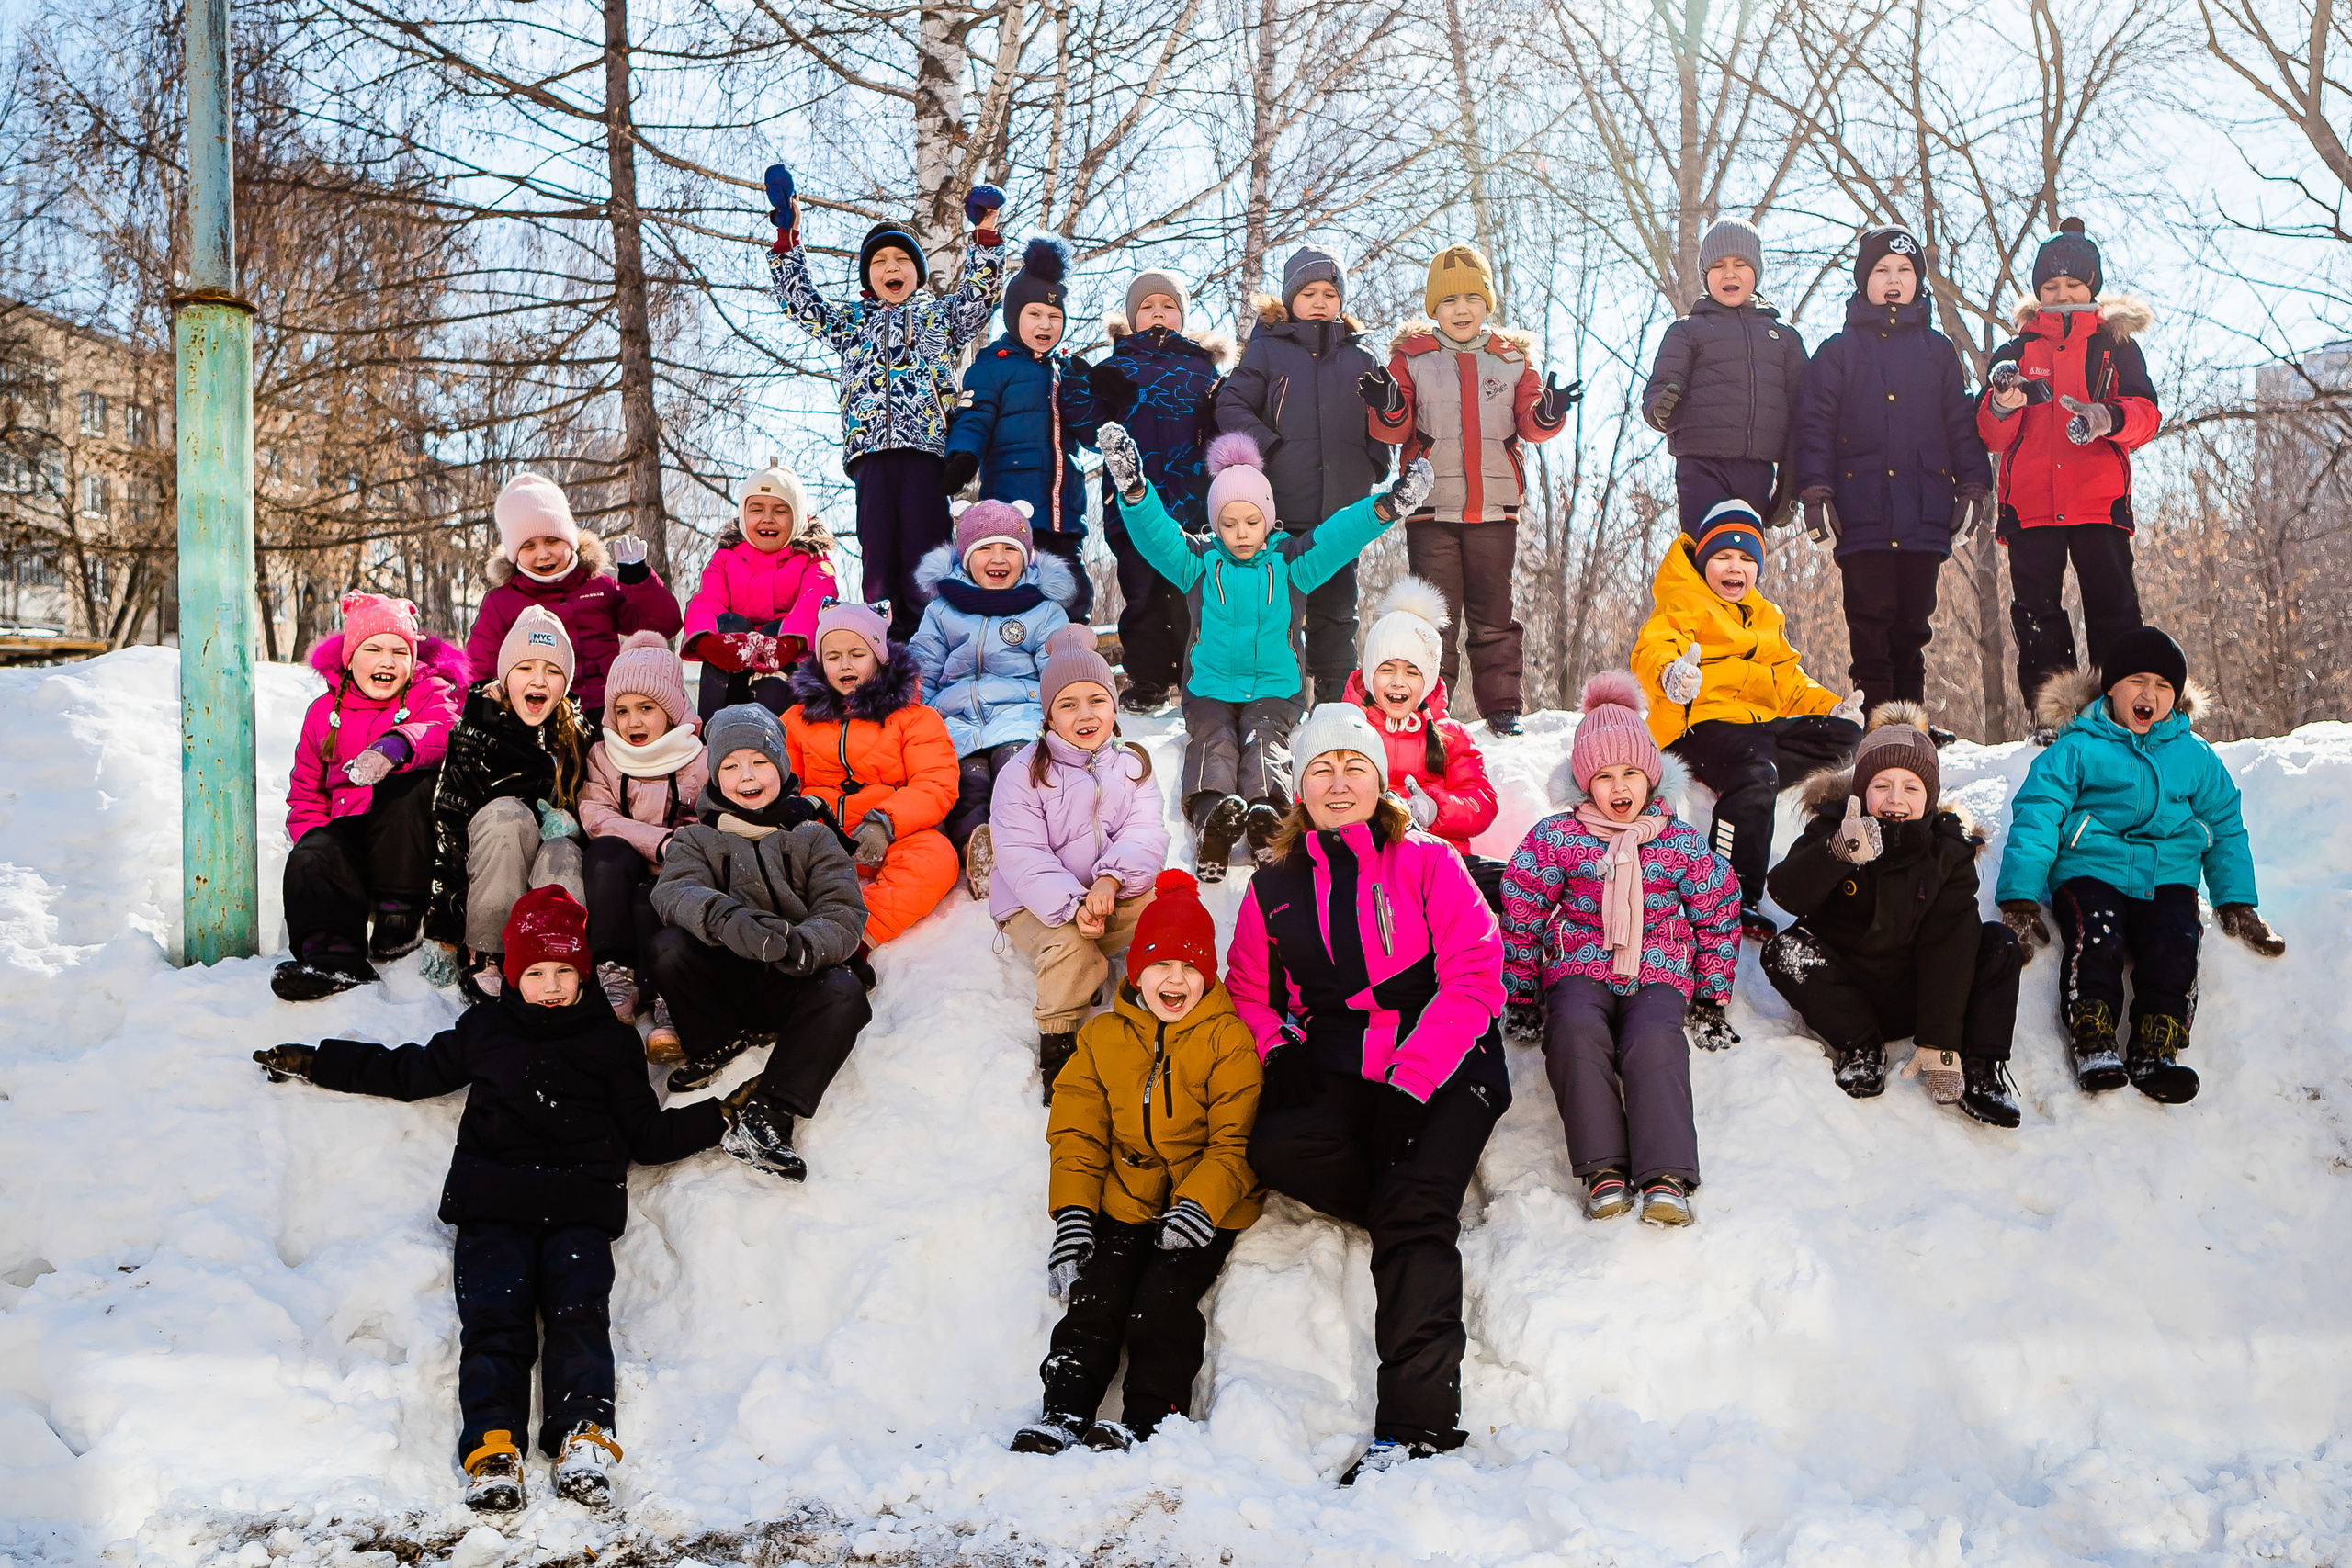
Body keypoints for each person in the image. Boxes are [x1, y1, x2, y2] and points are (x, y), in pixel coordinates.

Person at [251, 886, 759, 1514]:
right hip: (494, 1204)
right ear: (515, 975)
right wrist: (321, 1059)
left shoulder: (609, 1041)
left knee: (579, 1317)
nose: (549, 985)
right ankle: (493, 1445)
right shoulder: (487, 1028)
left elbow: (647, 1137)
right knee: (495, 1324)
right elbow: (409, 1072)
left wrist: (721, 1116)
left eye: (562, 972)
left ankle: (584, 1435)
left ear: (582, 973)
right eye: (535, 972)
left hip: (578, 1208)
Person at [1227, 703, 1506, 1485]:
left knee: (1415, 1209)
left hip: (1449, 1058)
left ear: (1379, 781)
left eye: (1354, 766)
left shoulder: (1428, 861)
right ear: (1301, 789)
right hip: (1342, 1057)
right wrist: (1278, 1045)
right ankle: (1400, 1200)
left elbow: (1476, 977)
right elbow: (1249, 990)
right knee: (1277, 1143)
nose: (1338, 780)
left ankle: (1417, 1429)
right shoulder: (1274, 885)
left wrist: (1414, 1085)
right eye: (1321, 768)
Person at [1095, 422, 1431, 880]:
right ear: (1215, 524)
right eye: (1228, 524)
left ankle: (1267, 819)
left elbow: (1338, 536)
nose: (1241, 533)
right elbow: (1157, 537)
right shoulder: (1198, 562)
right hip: (1209, 688)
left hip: (1275, 691)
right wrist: (1134, 491)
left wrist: (1387, 506)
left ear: (1269, 518)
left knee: (1264, 741)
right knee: (1212, 741)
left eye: (1251, 522)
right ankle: (1212, 819)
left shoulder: (1291, 562)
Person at [1011, 869, 1262, 1456]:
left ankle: (1152, 1420)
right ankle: (1063, 1413)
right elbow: (1076, 1130)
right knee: (1095, 1297)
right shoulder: (1102, 1040)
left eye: (1190, 967)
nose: (1176, 979)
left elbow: (1238, 1141)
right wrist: (1074, 1212)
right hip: (1125, 1199)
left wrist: (1198, 1205)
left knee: (1162, 1305)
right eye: (1161, 965)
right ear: (1137, 971)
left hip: (1204, 1207)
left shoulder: (1228, 1040)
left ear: (1208, 974)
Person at [1995, 628, 2284, 1103]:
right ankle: (2094, 1038)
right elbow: (2039, 812)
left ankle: (2156, 1046)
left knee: (2176, 940)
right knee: (2097, 935)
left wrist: (2236, 899)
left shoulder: (2194, 756)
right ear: (2112, 687)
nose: (2150, 694)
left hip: (2167, 875)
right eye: (2138, 681)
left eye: (2164, 686)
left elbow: (2225, 824)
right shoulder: (2079, 747)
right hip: (2092, 868)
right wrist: (2020, 898)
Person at [1499, 673, 1740, 1224]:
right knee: (1575, 1033)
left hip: (1657, 964)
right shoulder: (1558, 837)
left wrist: (1711, 995)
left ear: (1651, 776)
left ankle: (1665, 1175)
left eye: (1631, 772)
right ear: (1586, 784)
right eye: (1605, 776)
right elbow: (1522, 910)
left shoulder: (1676, 841)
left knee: (1653, 1039)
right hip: (1578, 963)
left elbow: (1717, 910)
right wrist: (1521, 993)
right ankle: (1603, 1167)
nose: (1619, 787)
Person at [763, 160, 1007, 641]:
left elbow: (981, 297)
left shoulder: (941, 318)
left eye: (900, 261)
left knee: (924, 552)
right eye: (879, 263)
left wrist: (984, 233)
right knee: (879, 552)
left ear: (916, 273)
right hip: (870, 454)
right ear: (867, 278)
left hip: (925, 453)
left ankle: (932, 640)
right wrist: (789, 238)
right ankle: (884, 642)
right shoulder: (851, 323)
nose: (890, 269)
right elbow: (801, 303)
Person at [1762, 706, 2022, 1126]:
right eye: (1881, 785)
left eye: (1911, 787)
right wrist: (1836, 854)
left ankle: (1980, 1066)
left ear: (1930, 798)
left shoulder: (1947, 850)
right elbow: (1786, 892)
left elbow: (1950, 943)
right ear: (1862, 792)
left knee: (1997, 944)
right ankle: (1861, 1046)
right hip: (1850, 987)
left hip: (1916, 991)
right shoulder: (1835, 828)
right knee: (1784, 951)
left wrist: (1940, 1039)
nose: (1896, 798)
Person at [649, 703, 873, 1179]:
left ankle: (769, 1110)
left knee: (845, 992)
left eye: (759, 762)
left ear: (781, 766)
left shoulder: (813, 836)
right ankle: (716, 1042)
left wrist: (800, 944)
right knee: (668, 946)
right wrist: (725, 918)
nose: (745, 775)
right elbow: (673, 893)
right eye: (730, 766)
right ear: (714, 776)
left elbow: (843, 910)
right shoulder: (696, 839)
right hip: (725, 977)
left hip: (789, 977)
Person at [1363, 243, 1577, 735]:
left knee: (1493, 610)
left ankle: (1501, 706)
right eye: (1450, 301)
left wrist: (1550, 410)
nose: (1462, 310)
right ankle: (1428, 709)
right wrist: (1386, 403)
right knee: (1437, 615)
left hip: (1494, 505)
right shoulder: (1412, 358)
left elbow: (1531, 422)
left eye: (1472, 300)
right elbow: (1394, 428)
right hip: (1431, 506)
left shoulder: (1511, 359)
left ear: (1487, 305)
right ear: (1433, 309)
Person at [1631, 500, 1862, 938]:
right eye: (1722, 556)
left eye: (1744, 559)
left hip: (1756, 729)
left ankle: (1762, 773)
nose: (1733, 567)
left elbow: (1789, 681)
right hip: (1699, 726)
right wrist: (1672, 674)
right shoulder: (1684, 602)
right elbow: (1652, 649)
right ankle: (1732, 893)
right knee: (1756, 770)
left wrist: (1831, 708)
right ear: (1703, 563)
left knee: (1846, 736)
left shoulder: (1765, 616)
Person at [1791, 225, 1994, 716]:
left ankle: (1911, 725)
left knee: (1912, 626)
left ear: (1918, 281)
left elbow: (1960, 423)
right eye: (1881, 270)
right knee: (1870, 621)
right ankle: (1878, 724)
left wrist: (1972, 487)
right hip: (1860, 515)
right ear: (1864, 281)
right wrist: (1815, 494)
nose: (1893, 279)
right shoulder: (1839, 352)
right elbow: (1813, 425)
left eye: (1904, 270)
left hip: (1925, 514)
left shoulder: (1938, 352)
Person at [1976, 219, 2160, 721]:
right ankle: (2052, 719)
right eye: (2050, 286)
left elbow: (2147, 416)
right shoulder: (2015, 351)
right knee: (2037, 618)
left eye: (2073, 284)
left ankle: (2122, 713)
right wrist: (2002, 404)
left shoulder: (2113, 346)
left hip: (2099, 504)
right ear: (2037, 292)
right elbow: (1990, 435)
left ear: (2093, 287)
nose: (2061, 294)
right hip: (2031, 508)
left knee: (2115, 610)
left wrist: (2108, 418)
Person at [989, 626, 1170, 1101]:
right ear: (1048, 714)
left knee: (1163, 915)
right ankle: (1059, 1038)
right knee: (1072, 947)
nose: (1085, 714)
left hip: (1111, 892)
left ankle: (1146, 1004)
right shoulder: (1023, 773)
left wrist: (1110, 879)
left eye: (1097, 700)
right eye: (1068, 704)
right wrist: (1073, 907)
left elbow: (1145, 833)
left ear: (1114, 706)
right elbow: (1023, 854)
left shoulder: (1133, 766)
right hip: (1037, 904)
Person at [1213, 245, 1392, 700]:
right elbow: (1230, 403)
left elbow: (1382, 417)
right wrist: (1270, 449)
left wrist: (1375, 461)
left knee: (1337, 607)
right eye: (1308, 291)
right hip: (1284, 507)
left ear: (1341, 301)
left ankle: (1335, 696)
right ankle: (1277, 695)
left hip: (1340, 510)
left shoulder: (1361, 358)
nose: (1319, 301)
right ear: (1289, 298)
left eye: (1329, 293)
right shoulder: (1269, 350)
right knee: (1281, 606)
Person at [275, 592, 469, 1001]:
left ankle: (398, 920)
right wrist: (324, 853)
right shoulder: (323, 712)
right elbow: (306, 794)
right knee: (311, 851)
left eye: (400, 651)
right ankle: (333, 958)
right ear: (349, 657)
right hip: (350, 843)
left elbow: (445, 730)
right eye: (374, 649)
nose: (388, 661)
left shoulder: (429, 692)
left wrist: (398, 743)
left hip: (406, 848)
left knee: (408, 786)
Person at [907, 499, 1082, 897]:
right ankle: (975, 847)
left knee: (1015, 773)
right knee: (966, 781)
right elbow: (923, 669)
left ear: (1026, 557)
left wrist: (1056, 713)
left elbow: (1056, 672)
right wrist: (916, 717)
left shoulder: (1043, 610)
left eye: (1009, 549)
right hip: (954, 720)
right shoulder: (941, 610)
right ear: (967, 558)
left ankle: (1020, 848)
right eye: (985, 548)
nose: (998, 558)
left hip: (1020, 715)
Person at [424, 605, 594, 1002]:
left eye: (553, 671)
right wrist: (443, 930)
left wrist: (577, 822)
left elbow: (600, 802)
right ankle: (488, 954)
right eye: (525, 668)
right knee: (508, 816)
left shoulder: (577, 733)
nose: (539, 680)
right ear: (505, 676)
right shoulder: (478, 730)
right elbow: (448, 827)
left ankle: (558, 960)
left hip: (547, 871)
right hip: (492, 868)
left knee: (562, 850)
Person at [1083, 269, 1229, 711]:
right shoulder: (1115, 365)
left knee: (1191, 597)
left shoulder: (1203, 367)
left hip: (1191, 503)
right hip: (1131, 502)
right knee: (1141, 592)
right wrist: (1090, 391)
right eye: (1147, 307)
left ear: (1182, 316)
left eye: (1168, 306)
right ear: (1132, 317)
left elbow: (1223, 427)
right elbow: (1089, 429)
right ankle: (1146, 681)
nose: (1158, 313)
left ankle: (1193, 682)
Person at [783, 600, 961, 952]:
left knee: (936, 857)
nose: (844, 664)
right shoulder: (795, 719)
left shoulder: (915, 718)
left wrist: (885, 822)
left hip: (891, 831)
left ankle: (857, 937)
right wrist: (799, 820)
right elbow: (783, 781)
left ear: (879, 657)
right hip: (821, 831)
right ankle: (786, 932)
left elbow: (935, 783)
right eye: (832, 657)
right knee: (773, 855)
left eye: (856, 654)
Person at [944, 237, 1099, 618]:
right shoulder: (994, 366)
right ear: (1014, 316)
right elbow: (976, 415)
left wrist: (1104, 396)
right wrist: (963, 455)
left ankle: (1074, 659)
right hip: (1015, 507)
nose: (1045, 325)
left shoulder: (1067, 371)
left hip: (1066, 510)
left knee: (1073, 593)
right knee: (1022, 590)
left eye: (1055, 317)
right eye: (1034, 315)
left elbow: (1090, 431)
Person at [579, 630, 707, 1057]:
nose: (633, 722)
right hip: (626, 861)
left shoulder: (697, 756)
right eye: (623, 710)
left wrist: (679, 843)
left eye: (646, 709)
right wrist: (658, 842)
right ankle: (614, 974)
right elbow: (596, 815)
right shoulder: (604, 754)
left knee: (656, 897)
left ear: (669, 710)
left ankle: (669, 995)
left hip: (676, 866)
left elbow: (708, 818)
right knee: (605, 856)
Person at [464, 473, 682, 720]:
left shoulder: (599, 586)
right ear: (514, 553)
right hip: (543, 719)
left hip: (610, 712)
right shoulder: (502, 603)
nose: (543, 554)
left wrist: (639, 581)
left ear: (569, 539)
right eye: (528, 546)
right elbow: (478, 670)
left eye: (552, 540)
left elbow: (664, 626)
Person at [1642, 217, 1809, 535]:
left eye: (1740, 264)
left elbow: (1804, 414)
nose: (1729, 273)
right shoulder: (1688, 331)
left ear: (1756, 270)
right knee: (1707, 553)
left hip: (1758, 469)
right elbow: (1658, 391)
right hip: (1701, 465)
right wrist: (1660, 407)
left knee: (1742, 561)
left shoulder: (1783, 338)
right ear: (1706, 274)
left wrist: (1791, 483)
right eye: (1718, 265)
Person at [1340, 575, 1499, 871]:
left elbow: (1482, 804)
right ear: (1369, 672)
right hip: (1367, 862)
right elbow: (1311, 795)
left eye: (1412, 672)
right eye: (1387, 670)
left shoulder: (1450, 735)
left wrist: (1437, 807)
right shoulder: (1347, 728)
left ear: (1428, 679)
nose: (1398, 682)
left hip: (1439, 864)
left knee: (1500, 880)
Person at [680, 460, 840, 721]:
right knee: (728, 623)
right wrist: (708, 643)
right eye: (757, 509)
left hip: (784, 665)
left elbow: (815, 601)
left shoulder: (813, 559)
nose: (768, 518)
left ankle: (777, 733)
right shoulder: (726, 558)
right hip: (733, 665)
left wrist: (790, 644)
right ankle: (713, 734)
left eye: (780, 510)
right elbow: (707, 600)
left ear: (797, 517)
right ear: (743, 515)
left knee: (775, 629)